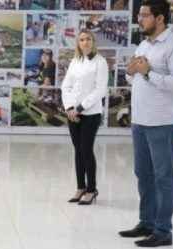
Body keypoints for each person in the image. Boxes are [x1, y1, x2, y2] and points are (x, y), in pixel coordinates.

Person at [119, 0, 173, 247]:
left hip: (162, 121)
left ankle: (163, 231)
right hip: (140, 120)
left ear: (160, 18)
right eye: (139, 15)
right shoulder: (144, 44)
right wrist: (131, 72)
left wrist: (149, 72)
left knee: (163, 177)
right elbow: (137, 80)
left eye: (144, 15)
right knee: (144, 175)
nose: (139, 19)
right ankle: (147, 222)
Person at [61, 29, 107, 206]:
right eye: (81, 39)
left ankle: (91, 189)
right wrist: (70, 108)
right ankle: (80, 187)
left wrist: (80, 107)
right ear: (78, 43)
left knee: (86, 149)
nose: (85, 42)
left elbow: (100, 90)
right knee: (78, 150)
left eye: (88, 39)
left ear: (93, 41)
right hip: (72, 113)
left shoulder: (100, 62)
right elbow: (66, 86)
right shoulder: (75, 61)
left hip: (90, 113)